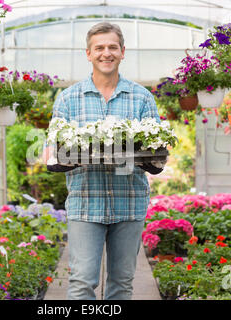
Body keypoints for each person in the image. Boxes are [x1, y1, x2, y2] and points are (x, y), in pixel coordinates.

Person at [43, 22, 164, 300]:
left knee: (121, 284)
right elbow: (53, 154)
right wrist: (75, 155)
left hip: (129, 203)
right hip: (86, 204)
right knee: (82, 283)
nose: (105, 53)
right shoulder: (69, 98)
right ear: (88, 53)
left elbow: (156, 157)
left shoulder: (142, 97)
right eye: (99, 48)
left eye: (112, 47)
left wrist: (146, 156)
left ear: (123, 52)